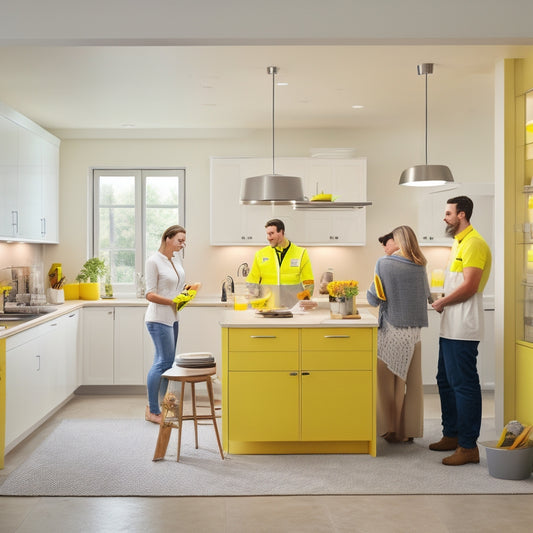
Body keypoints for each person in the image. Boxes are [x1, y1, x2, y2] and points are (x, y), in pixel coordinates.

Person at [430, 196, 492, 466]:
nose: (445, 217)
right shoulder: (459, 242)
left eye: (448, 213)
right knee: (444, 380)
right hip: (450, 327)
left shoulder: (474, 243)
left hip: (463, 328)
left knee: (464, 385)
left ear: (462, 215)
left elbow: (470, 286)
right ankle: (452, 435)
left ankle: (468, 447)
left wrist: (442, 301)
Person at [367, 225, 431, 443]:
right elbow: (427, 295)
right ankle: (408, 431)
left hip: (392, 330)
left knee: (386, 381)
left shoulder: (384, 263)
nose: (387, 245)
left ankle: (388, 429)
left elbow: (374, 298)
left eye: (390, 240)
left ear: (399, 241)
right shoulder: (420, 265)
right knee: (412, 383)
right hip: (415, 334)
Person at [144, 225, 187, 424]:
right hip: (158, 318)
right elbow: (150, 294)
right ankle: (153, 410)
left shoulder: (175, 261)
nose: (182, 244)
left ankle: (163, 407)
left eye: (184, 240)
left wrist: (186, 291)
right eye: (179, 240)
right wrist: (172, 302)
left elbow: (173, 288)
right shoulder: (153, 261)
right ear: (167, 238)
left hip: (173, 317)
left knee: (166, 363)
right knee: (163, 362)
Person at [246, 218, 314, 308]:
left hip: (293, 310)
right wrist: (252, 304)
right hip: (267, 309)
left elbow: (309, 283)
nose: (268, 237)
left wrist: (305, 299)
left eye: (271, 233)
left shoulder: (301, 253)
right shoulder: (260, 254)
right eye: (267, 234)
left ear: (281, 232)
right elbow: (252, 282)